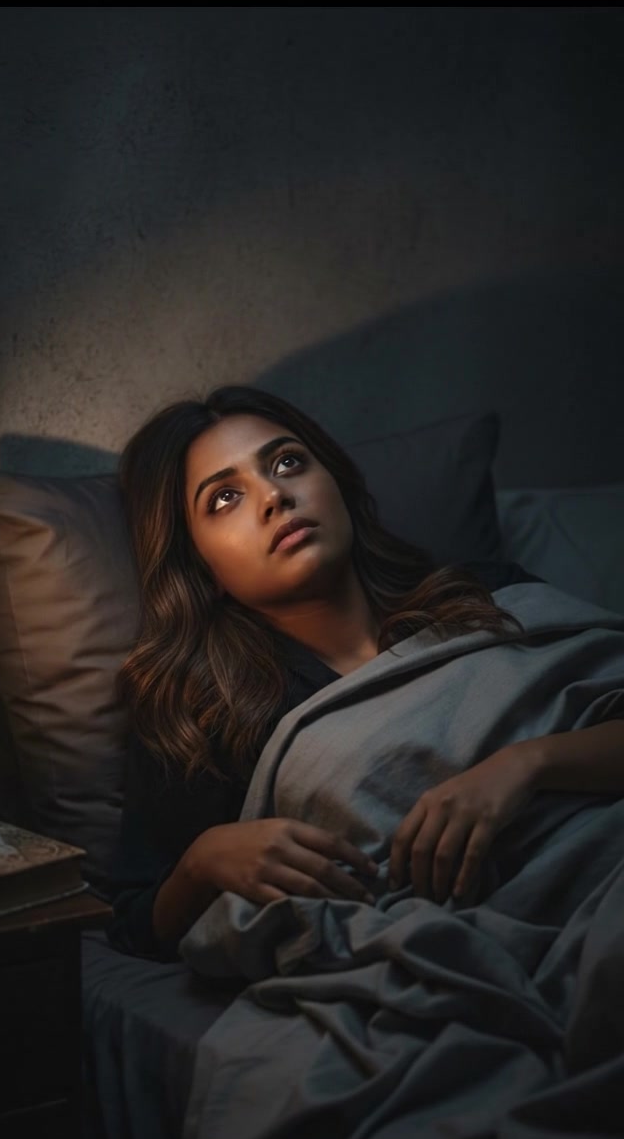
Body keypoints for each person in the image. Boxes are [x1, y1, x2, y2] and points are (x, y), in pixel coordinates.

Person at [107, 386, 624, 960]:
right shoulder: (204, 716)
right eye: (225, 498)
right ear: (201, 566)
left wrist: (530, 765)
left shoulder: (485, 595)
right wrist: (202, 862)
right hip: (461, 945)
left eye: (287, 462)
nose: (275, 495)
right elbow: (133, 924)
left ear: (338, 485)